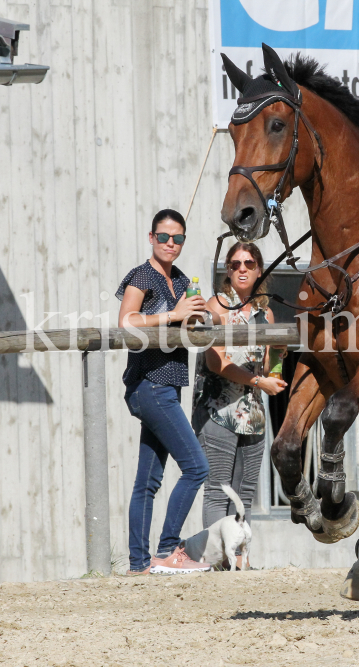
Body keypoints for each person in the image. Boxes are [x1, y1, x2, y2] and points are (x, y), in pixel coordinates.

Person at [117, 208, 212, 575]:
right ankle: (168, 550)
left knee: (148, 480)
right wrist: (173, 315)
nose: (170, 244)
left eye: (178, 239)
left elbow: (182, 324)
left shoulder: (183, 280)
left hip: (166, 386)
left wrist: (193, 317)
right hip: (150, 386)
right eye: (163, 237)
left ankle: (139, 564)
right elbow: (127, 323)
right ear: (151, 237)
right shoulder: (142, 275)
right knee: (196, 467)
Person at [181, 242, 287, 569]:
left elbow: (268, 364)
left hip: (253, 414)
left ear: (258, 271)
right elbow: (217, 363)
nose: (242, 268)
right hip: (218, 411)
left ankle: (242, 563)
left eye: (249, 263)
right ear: (228, 270)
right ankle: (214, 562)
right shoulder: (216, 308)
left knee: (245, 493)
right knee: (217, 490)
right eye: (236, 263)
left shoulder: (264, 313)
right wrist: (260, 382)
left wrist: (279, 354)